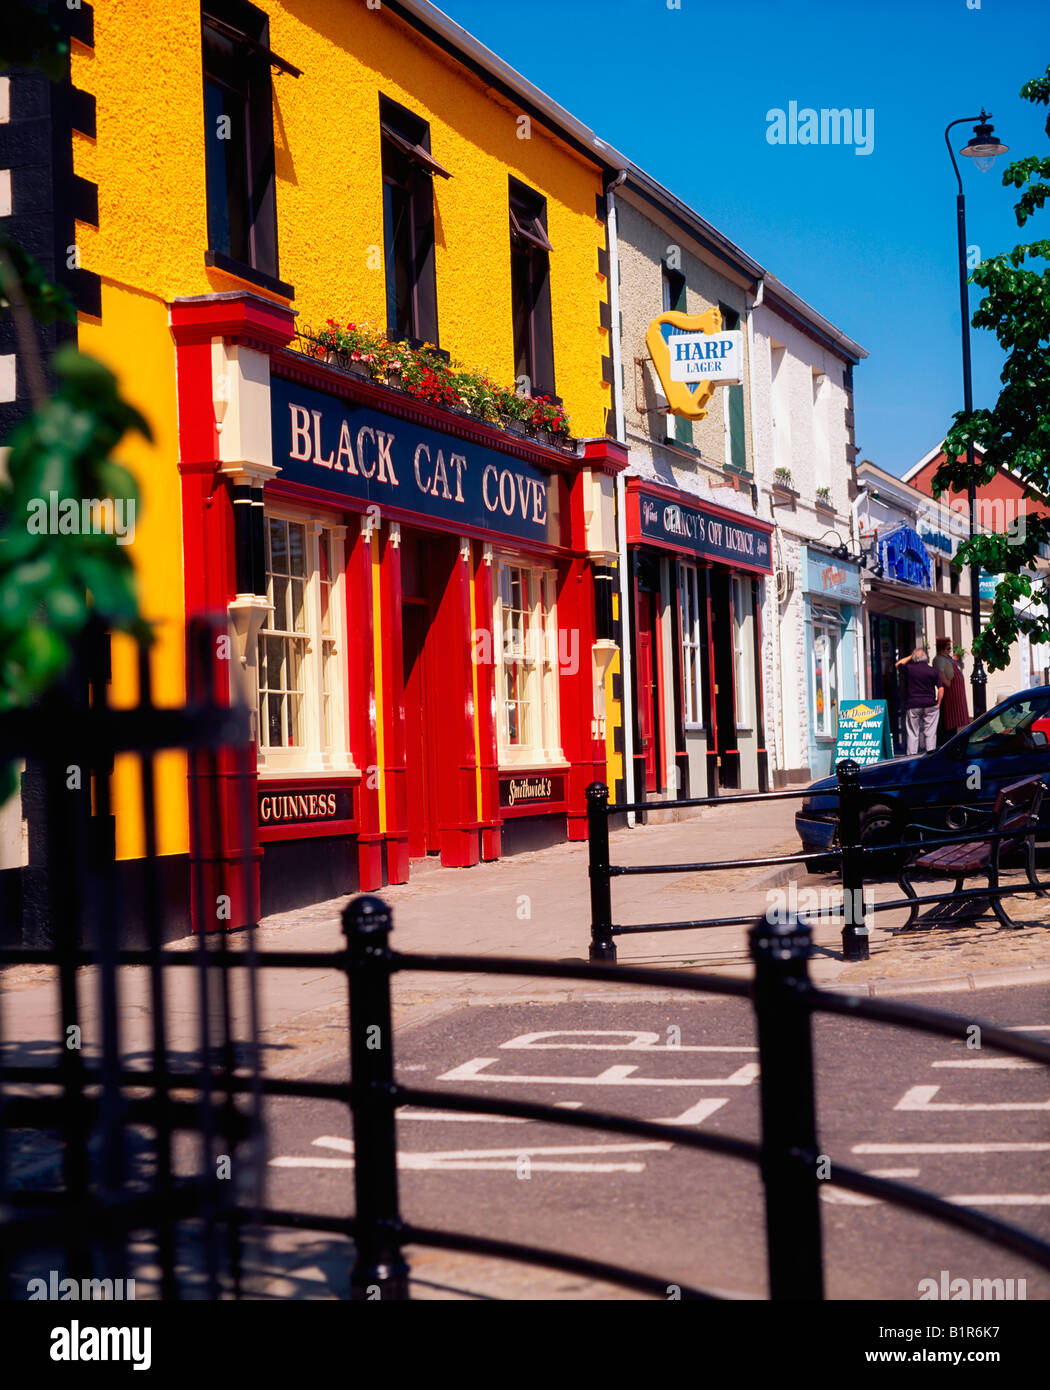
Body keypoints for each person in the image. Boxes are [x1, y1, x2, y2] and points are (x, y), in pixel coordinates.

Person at [895, 646, 944, 754]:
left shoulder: (909, 669)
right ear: (926, 658)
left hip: (913, 705)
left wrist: (910, 656)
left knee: (913, 732)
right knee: (930, 732)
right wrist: (938, 703)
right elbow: (941, 688)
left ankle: (911, 757)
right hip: (930, 704)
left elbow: (898, 664)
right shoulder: (933, 671)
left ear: (914, 658)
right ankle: (930, 755)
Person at [933, 636, 970, 743]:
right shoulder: (939, 659)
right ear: (942, 647)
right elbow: (940, 673)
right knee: (948, 723)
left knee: (954, 724)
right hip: (949, 694)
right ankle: (946, 744)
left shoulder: (948, 658)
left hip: (956, 694)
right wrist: (947, 683)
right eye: (948, 646)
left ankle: (952, 742)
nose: (950, 648)